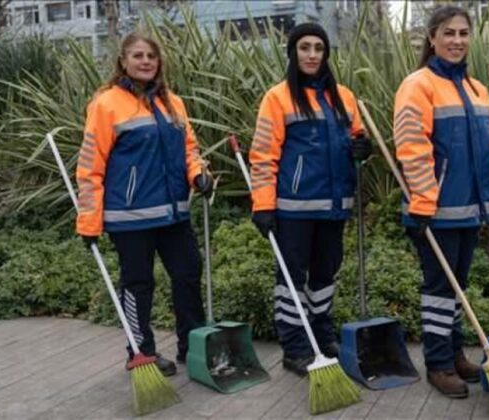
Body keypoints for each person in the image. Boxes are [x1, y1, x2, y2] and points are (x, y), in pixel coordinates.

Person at [393, 6, 489, 398]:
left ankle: (455, 352)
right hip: (434, 210)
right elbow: (411, 149)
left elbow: (488, 134)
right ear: (432, 38)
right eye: (449, 33)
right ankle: (438, 364)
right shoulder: (418, 85)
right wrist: (424, 204)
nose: (457, 41)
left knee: (457, 286)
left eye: (463, 33)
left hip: (470, 207)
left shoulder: (477, 88)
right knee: (438, 288)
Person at [75, 32, 214, 377]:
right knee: (138, 284)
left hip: (174, 213)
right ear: (123, 61)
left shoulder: (173, 103)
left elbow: (189, 150)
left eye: (151, 55)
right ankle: (141, 351)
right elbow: (90, 165)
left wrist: (198, 174)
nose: (146, 61)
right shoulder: (106, 104)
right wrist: (89, 222)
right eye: (138, 55)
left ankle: (192, 345)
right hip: (130, 216)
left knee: (188, 273)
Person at [248, 23, 372, 376]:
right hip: (293, 207)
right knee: (291, 278)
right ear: (293, 52)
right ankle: (296, 346)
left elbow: (356, 142)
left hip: (335, 205)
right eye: (305, 47)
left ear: (326, 53)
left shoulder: (344, 97)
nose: (312, 54)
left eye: (319, 47)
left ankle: (322, 334)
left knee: (325, 273)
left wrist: (363, 149)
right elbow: (263, 155)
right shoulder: (278, 97)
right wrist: (263, 204)